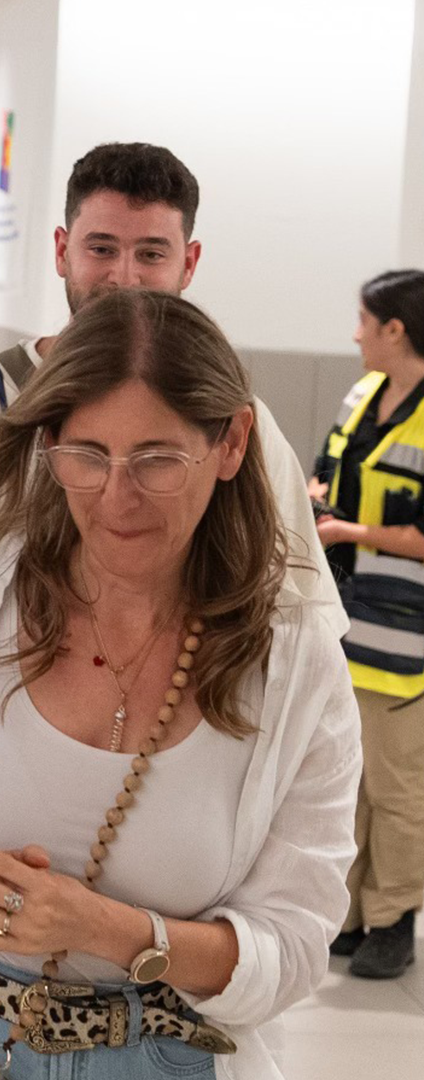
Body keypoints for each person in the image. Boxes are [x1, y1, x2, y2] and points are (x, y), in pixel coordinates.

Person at [0, 141, 345, 1000]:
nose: (116, 499)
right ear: (62, 250)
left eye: (160, 461)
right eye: (85, 457)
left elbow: (301, 608)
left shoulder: (254, 452)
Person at [310, 268, 424, 980]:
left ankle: (394, 919)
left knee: (396, 788)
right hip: (344, 626)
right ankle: (347, 916)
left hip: (405, 640)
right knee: (343, 783)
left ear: (395, 329)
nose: (354, 333)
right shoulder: (361, 398)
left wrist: (349, 529)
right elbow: (326, 470)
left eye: (363, 320)